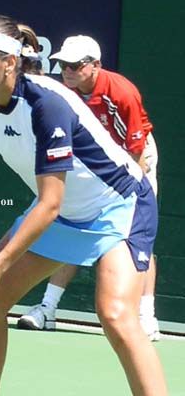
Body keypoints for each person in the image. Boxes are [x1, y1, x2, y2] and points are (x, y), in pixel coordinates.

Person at [0, 14, 168, 396]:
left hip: (120, 205)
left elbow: (49, 204)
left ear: (9, 63)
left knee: (117, 315)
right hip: (61, 214)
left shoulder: (46, 104)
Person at [18, 35, 160, 341]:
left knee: (137, 236)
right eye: (63, 64)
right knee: (78, 230)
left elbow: (135, 153)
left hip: (134, 160)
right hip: (92, 163)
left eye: (75, 65)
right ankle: (47, 308)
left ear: (95, 66)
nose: (67, 70)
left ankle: (146, 318)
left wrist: (128, 194)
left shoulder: (122, 93)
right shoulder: (61, 94)